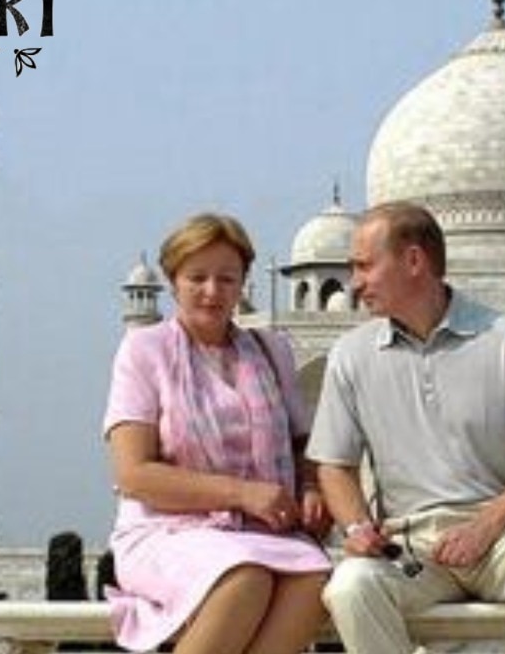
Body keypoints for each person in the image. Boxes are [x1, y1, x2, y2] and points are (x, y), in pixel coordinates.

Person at [308, 201, 505, 654]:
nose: (354, 283)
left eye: (364, 266)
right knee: (351, 587)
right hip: (411, 547)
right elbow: (334, 465)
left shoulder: (504, 339)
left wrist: (485, 527)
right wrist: (358, 526)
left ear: (414, 261)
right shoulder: (351, 355)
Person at [102, 212, 332, 654]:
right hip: (166, 531)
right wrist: (244, 494)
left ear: (243, 283)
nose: (212, 291)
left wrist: (308, 486)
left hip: (263, 533)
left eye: (227, 279)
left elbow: (305, 444)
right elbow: (134, 475)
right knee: (244, 578)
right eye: (198, 278)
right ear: (173, 282)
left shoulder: (272, 350)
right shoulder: (144, 349)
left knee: (313, 581)